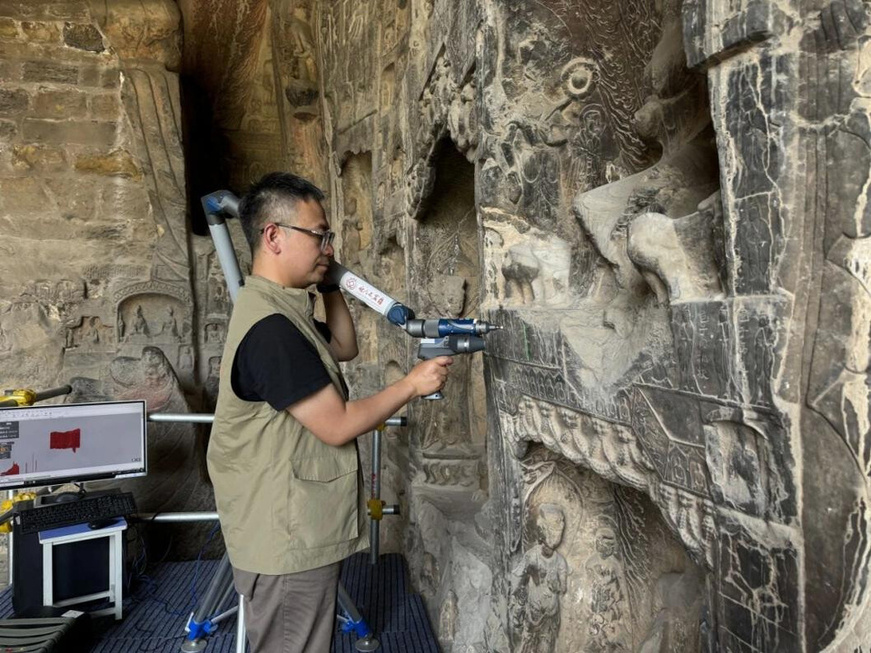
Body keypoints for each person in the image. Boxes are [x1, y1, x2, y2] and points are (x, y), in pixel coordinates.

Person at [207, 172, 452, 653]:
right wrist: (412, 384)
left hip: (292, 525)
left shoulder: (283, 310)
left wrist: (332, 281)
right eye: (318, 235)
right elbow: (337, 425)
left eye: (330, 237)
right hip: (285, 539)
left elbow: (343, 346)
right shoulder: (272, 330)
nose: (327, 245)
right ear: (273, 236)